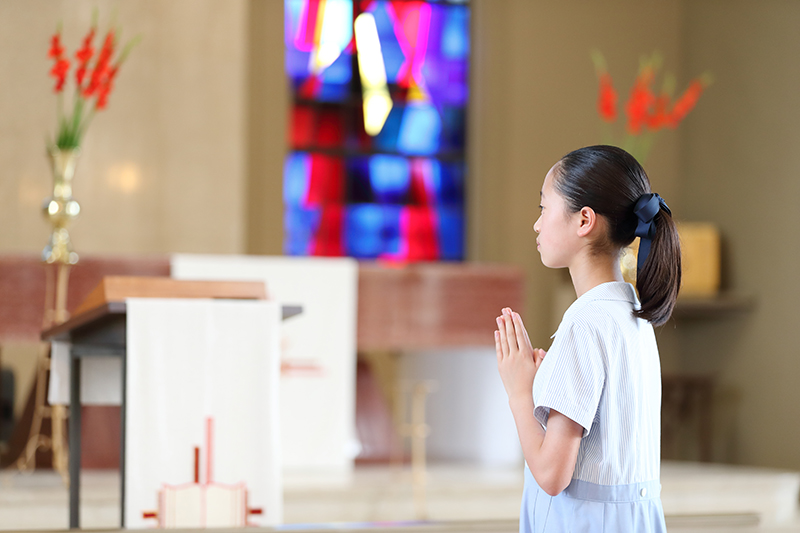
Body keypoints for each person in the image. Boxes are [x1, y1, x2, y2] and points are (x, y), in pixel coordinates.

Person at [494, 145, 680, 532]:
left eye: (544, 208)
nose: (537, 224)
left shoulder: (585, 323)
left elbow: (551, 474)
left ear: (584, 221)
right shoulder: (632, 314)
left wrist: (520, 392)